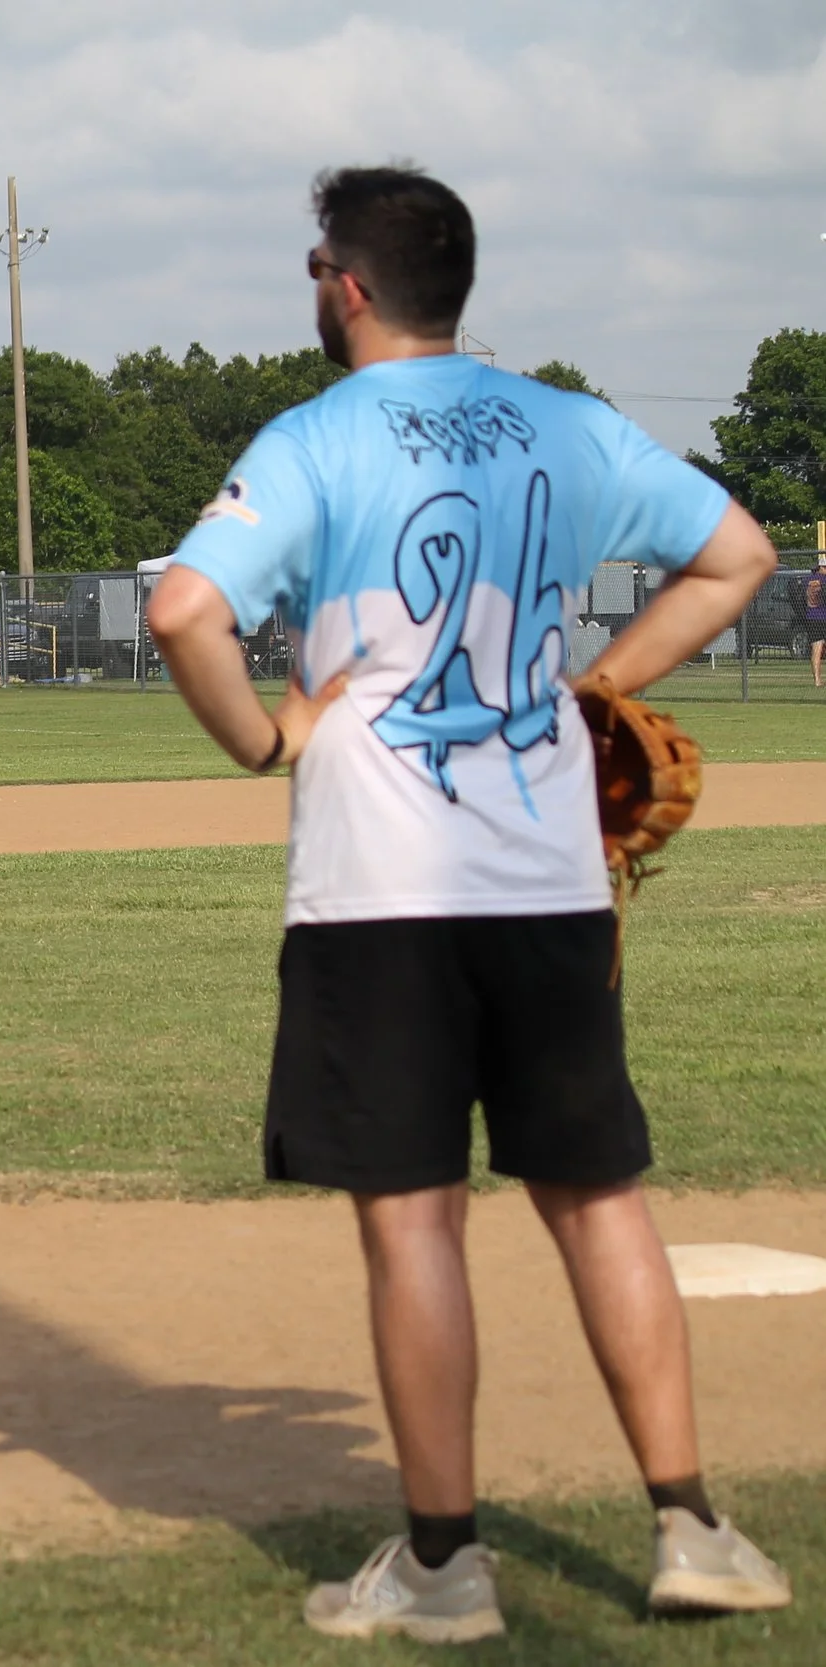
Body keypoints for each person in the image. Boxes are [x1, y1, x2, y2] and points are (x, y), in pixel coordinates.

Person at [149, 167, 788, 1641]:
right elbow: (739, 556)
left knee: (415, 1219)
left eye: (318, 263)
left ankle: (446, 1561)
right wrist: (596, 686)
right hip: (546, 868)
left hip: (380, 884)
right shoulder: (565, 422)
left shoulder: (311, 437)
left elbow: (189, 608)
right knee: (595, 1192)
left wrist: (263, 735)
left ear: (350, 285)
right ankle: (693, 1524)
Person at [803, 555, 826, 688]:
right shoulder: (824, 580)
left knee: (816, 650)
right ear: (822, 568)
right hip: (823, 616)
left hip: (812, 617)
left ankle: (817, 680)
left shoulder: (808, 580)